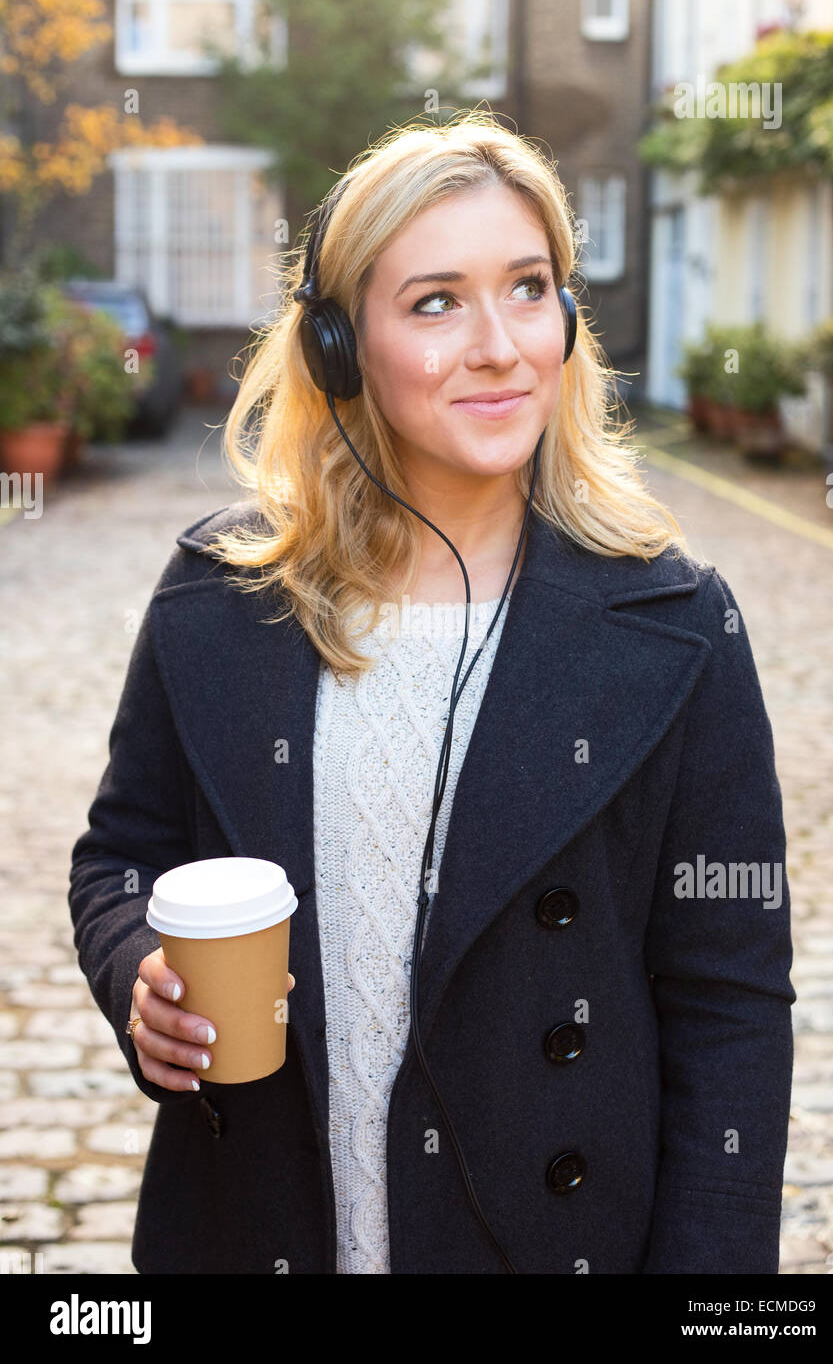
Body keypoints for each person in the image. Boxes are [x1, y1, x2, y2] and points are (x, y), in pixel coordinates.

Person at [68, 109, 795, 1275]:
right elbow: (122, 853)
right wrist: (135, 972)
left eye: (526, 286)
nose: (500, 344)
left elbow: (731, 1003)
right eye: (435, 301)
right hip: (257, 1228)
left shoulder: (675, 625)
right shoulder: (219, 598)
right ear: (339, 350)